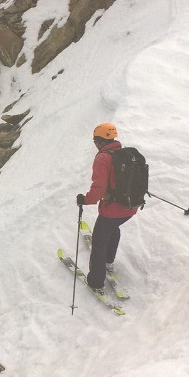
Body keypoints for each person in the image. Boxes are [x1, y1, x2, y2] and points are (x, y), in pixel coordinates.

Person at [76, 123, 138, 294]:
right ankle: (108, 261)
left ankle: (96, 282)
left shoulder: (103, 158)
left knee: (98, 243)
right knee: (113, 228)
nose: (94, 144)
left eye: (95, 140)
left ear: (100, 140)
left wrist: (85, 200)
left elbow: (99, 188)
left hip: (113, 209)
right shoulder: (124, 154)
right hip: (130, 207)